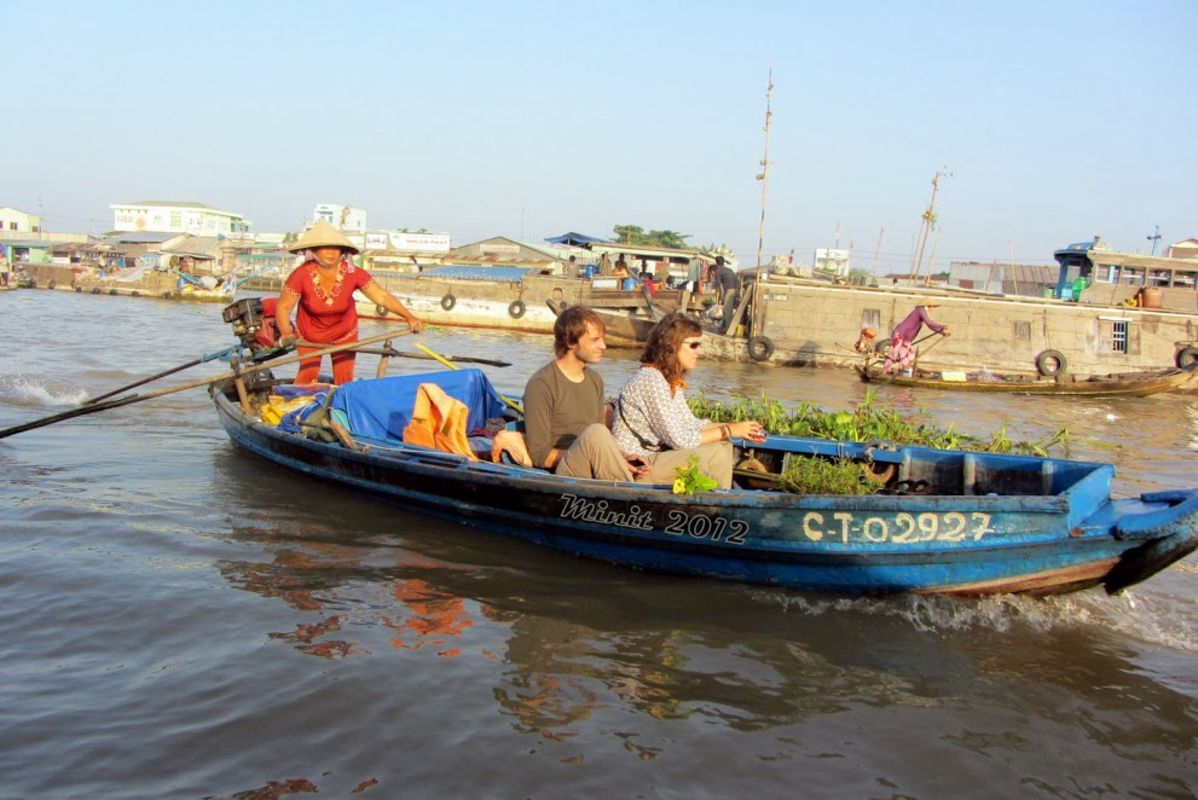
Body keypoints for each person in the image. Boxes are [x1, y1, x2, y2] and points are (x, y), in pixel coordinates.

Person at [612, 313, 766, 489]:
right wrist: (728, 430)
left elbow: (691, 424)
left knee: (723, 445)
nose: (699, 352)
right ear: (671, 346)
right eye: (693, 345)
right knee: (717, 454)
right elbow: (680, 440)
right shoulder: (650, 380)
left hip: (654, 458)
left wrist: (737, 428)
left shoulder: (669, 382)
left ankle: (718, 497)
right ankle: (720, 503)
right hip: (637, 467)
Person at [275, 219, 425, 385]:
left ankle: (342, 401)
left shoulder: (354, 273)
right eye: (326, 247)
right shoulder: (301, 275)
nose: (331, 252)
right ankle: (298, 401)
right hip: (309, 334)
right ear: (313, 251)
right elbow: (283, 307)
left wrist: (409, 317)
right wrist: (286, 332)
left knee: (344, 378)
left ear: (343, 252)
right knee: (308, 374)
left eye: (336, 248)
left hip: (344, 333)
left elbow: (381, 296)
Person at [523, 306, 647, 481]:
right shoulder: (541, 385)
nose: (603, 346)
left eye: (602, 339)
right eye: (595, 340)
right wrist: (595, 456)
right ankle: (629, 492)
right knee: (596, 432)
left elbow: (601, 441)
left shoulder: (595, 380)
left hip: (597, 462)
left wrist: (623, 456)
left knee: (675, 460)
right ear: (570, 342)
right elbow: (540, 455)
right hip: (568, 468)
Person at [883, 298, 950, 374]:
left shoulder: (923, 312)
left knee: (907, 355)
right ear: (928, 305)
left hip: (906, 338)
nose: (932, 309)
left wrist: (942, 332)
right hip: (900, 334)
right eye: (932, 306)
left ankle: (901, 372)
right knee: (894, 353)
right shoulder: (920, 310)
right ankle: (886, 371)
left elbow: (930, 326)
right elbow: (929, 323)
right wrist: (943, 326)